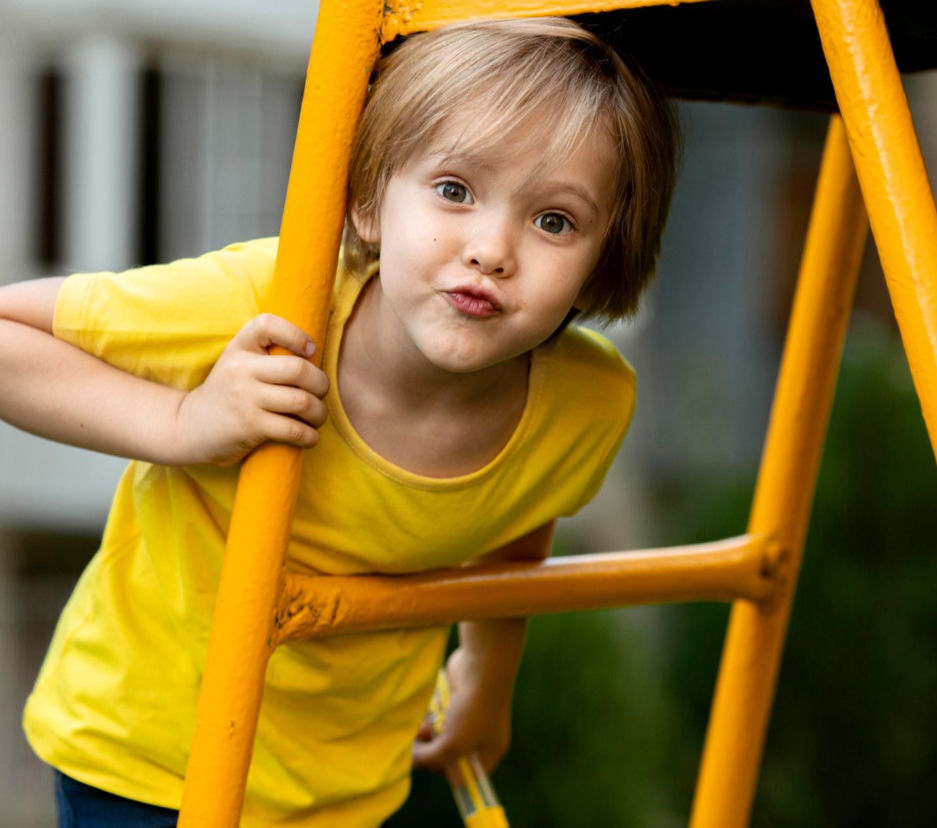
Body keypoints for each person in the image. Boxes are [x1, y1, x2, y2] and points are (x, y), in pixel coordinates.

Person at [0, 16, 678, 828]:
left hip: (351, 790)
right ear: (366, 201)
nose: (491, 248)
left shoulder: (586, 404)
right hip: (152, 759)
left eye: (554, 220)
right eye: (455, 190)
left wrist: (488, 685)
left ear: (605, 258)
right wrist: (186, 420)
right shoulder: (273, 305)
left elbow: (517, 517)